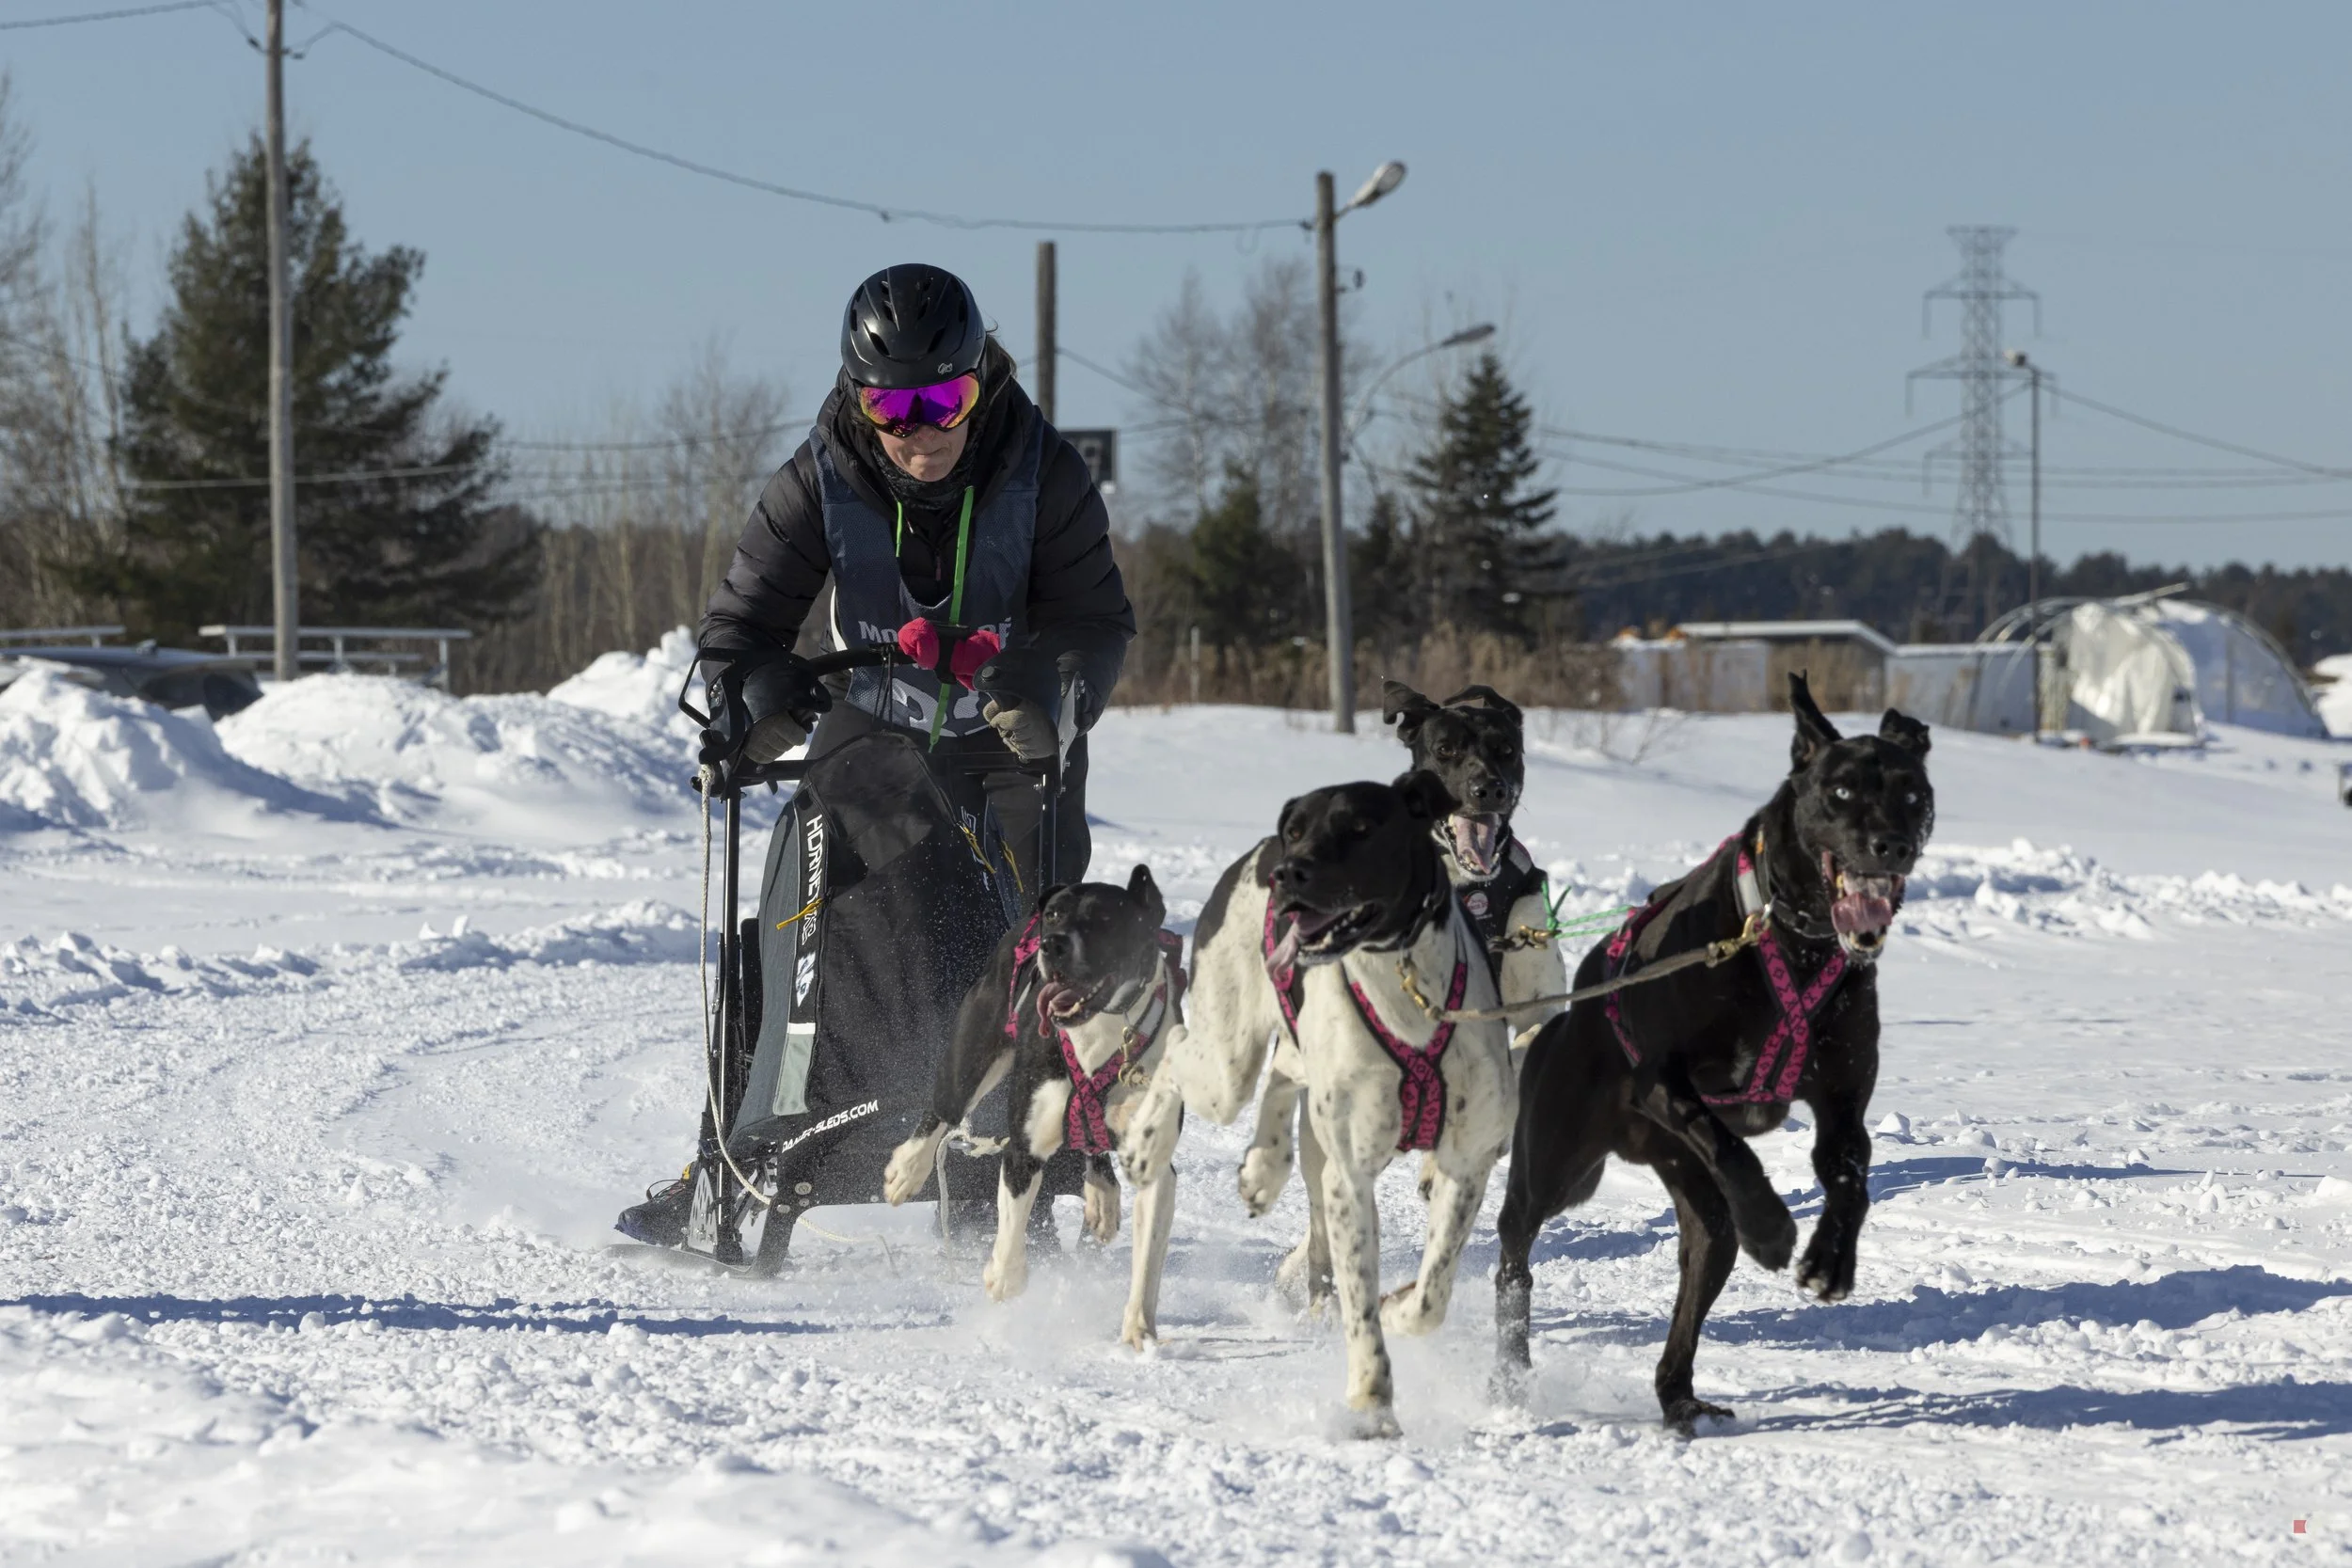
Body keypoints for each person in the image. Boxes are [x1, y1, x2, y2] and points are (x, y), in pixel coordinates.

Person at [618, 262, 1134, 1249]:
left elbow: (1096, 619)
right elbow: (735, 631)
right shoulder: (819, 474)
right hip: (875, 727)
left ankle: (1034, 1150)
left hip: (1009, 737)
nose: (918, 428)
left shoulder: (1045, 469)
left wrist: (1057, 690)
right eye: (891, 404)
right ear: (859, 397)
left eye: (944, 398)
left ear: (979, 381)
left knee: (1044, 927)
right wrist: (750, 695)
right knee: (804, 890)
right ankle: (743, 1144)